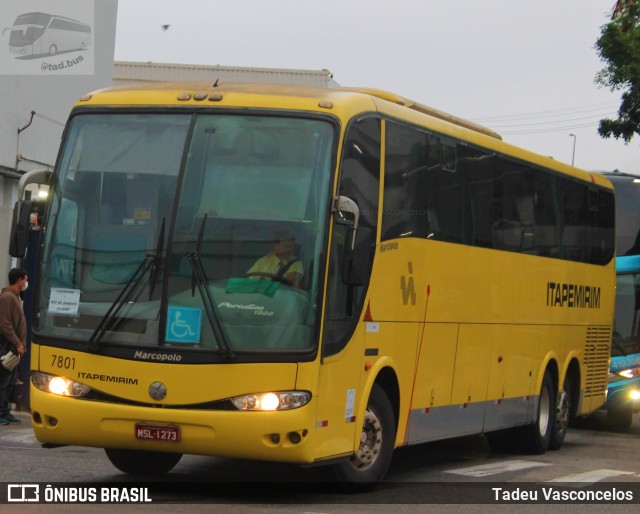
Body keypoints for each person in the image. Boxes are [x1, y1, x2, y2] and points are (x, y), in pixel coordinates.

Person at [0, 268, 28, 425]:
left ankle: (5, 411)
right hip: (7, 344)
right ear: (19, 280)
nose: (26, 283)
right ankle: (1, 412)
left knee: (10, 380)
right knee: (3, 379)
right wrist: (17, 344)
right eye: (25, 279)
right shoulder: (7, 297)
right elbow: (5, 324)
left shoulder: (16, 297)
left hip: (14, 345)